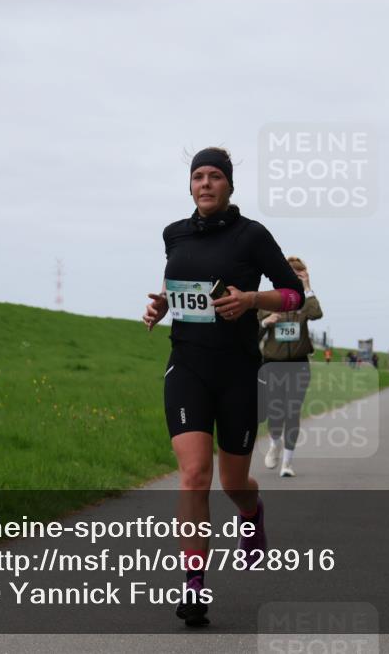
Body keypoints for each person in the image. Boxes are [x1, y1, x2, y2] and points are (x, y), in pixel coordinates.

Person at [142, 147, 305, 628]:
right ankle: (193, 586)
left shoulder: (252, 235)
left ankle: (251, 514)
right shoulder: (174, 234)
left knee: (233, 483)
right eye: (198, 176)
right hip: (187, 366)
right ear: (189, 186)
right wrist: (160, 308)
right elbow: (178, 292)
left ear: (230, 185)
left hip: (237, 371)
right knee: (194, 475)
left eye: (215, 176)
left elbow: (294, 294)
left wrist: (253, 298)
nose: (206, 184)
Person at [258, 256, 322, 478]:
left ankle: (287, 463)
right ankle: (275, 443)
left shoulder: (304, 302)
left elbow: (316, 314)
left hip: (298, 365)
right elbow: (252, 335)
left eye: (298, 274)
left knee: (292, 413)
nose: (293, 278)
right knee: (275, 413)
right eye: (290, 274)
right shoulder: (268, 301)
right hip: (272, 365)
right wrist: (265, 323)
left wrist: (307, 286)